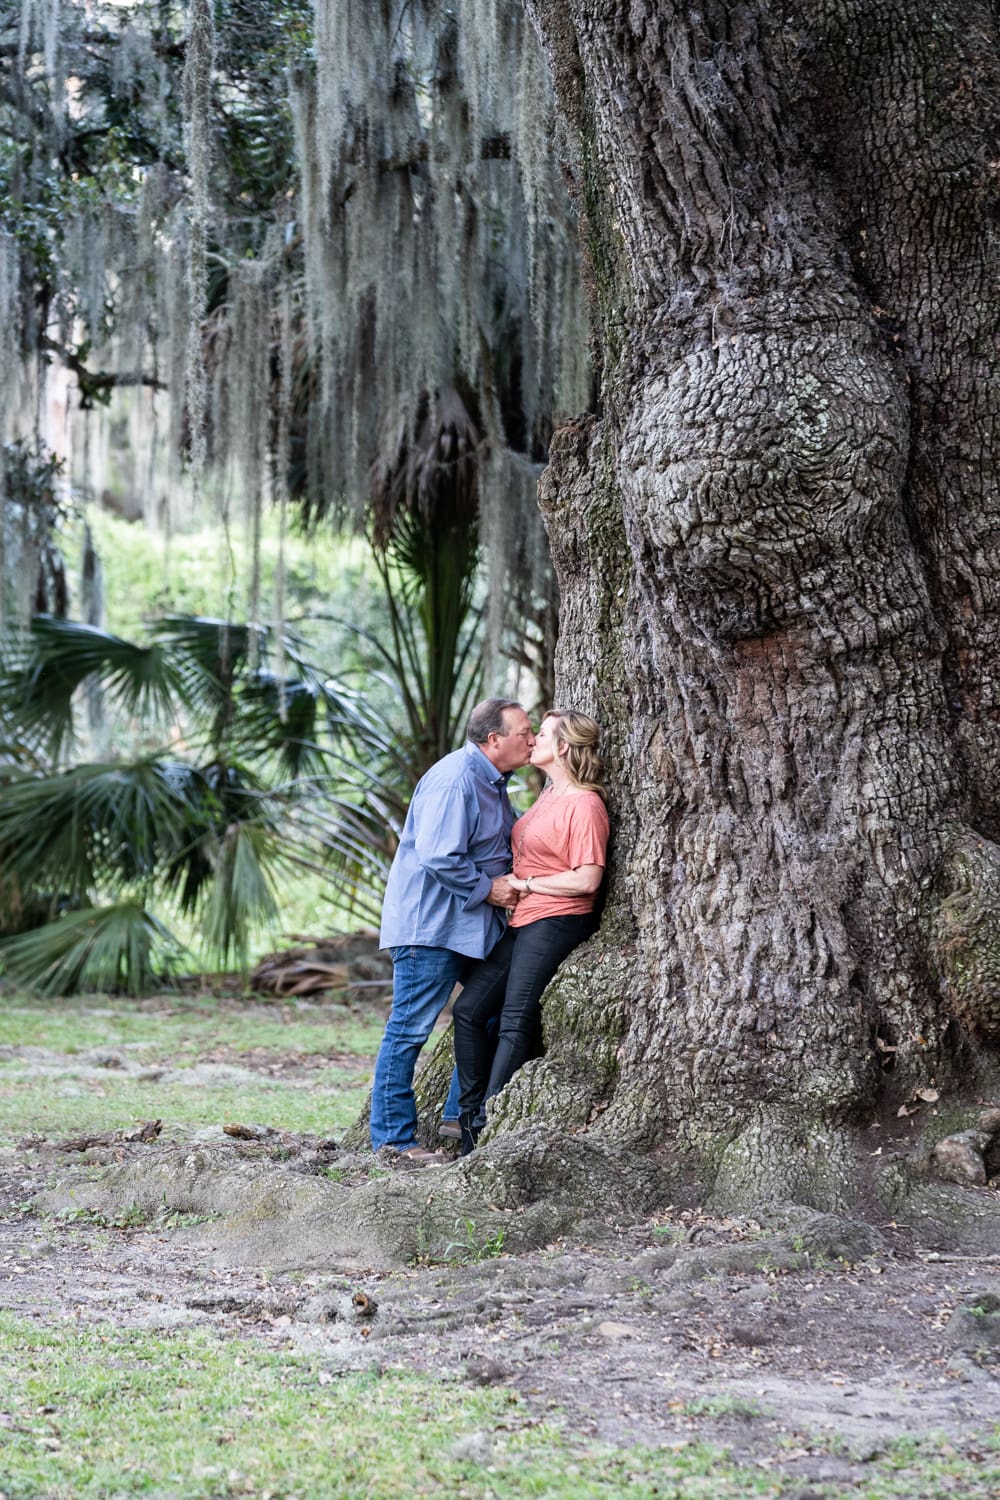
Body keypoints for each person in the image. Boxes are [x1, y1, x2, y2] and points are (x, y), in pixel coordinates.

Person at [370, 698, 535, 1161]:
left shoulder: (494, 781)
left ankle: (454, 1115)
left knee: (486, 1014)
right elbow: (440, 855)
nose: (533, 738)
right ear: (493, 740)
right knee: (409, 1030)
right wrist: (490, 890)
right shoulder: (454, 779)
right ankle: (393, 1141)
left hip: (470, 929)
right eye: (525, 731)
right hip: (432, 928)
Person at [452, 709, 609, 1154]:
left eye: (542, 734)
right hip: (523, 919)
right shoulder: (549, 794)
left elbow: (587, 879)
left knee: (515, 1021)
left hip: (557, 918)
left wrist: (526, 885)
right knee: (468, 1012)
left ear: (563, 747)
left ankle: (486, 1125)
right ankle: (467, 1118)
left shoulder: (585, 802)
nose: (532, 738)